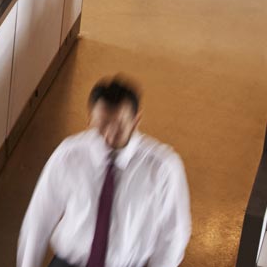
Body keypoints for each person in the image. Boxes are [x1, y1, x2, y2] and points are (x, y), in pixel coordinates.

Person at [17, 77, 190, 267]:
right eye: (102, 124)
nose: (108, 135)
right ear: (89, 117)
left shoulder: (162, 168)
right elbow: (39, 217)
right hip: (69, 263)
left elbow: (173, 235)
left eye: (118, 126)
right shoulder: (69, 155)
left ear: (136, 121)